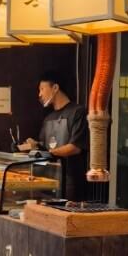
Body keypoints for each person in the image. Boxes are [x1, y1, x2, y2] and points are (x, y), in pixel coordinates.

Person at [18, 70, 90, 200]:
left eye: (42, 89)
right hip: (49, 181)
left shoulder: (78, 112)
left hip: (71, 183)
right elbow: (44, 146)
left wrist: (48, 153)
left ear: (55, 88)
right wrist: (32, 146)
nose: (40, 94)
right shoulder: (48, 118)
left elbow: (75, 147)